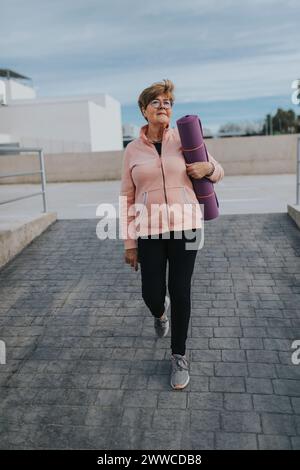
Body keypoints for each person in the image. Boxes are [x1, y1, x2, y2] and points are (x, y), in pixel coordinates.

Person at [119, 79, 224, 390]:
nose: (163, 106)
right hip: (149, 230)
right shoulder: (132, 150)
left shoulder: (186, 139)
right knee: (151, 293)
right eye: (156, 102)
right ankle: (159, 314)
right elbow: (126, 196)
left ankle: (179, 354)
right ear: (143, 110)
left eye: (167, 102)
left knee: (180, 290)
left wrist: (208, 170)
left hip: (186, 226)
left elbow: (218, 169)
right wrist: (129, 242)